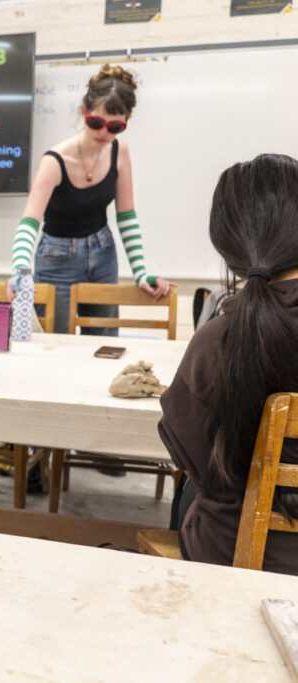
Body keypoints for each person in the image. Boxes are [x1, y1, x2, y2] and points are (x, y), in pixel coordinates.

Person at [159, 153, 298, 574]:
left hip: (233, 555)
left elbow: (187, 456)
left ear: (226, 246)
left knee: (191, 492)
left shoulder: (213, 342)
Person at [8, 64, 173, 334]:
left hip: (103, 253)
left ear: (126, 122)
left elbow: (127, 217)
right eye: (96, 123)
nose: (104, 133)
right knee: (54, 342)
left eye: (115, 127)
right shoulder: (55, 160)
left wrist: (141, 272)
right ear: (84, 113)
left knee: (105, 342)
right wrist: (20, 269)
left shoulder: (120, 152)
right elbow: (29, 221)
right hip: (56, 258)